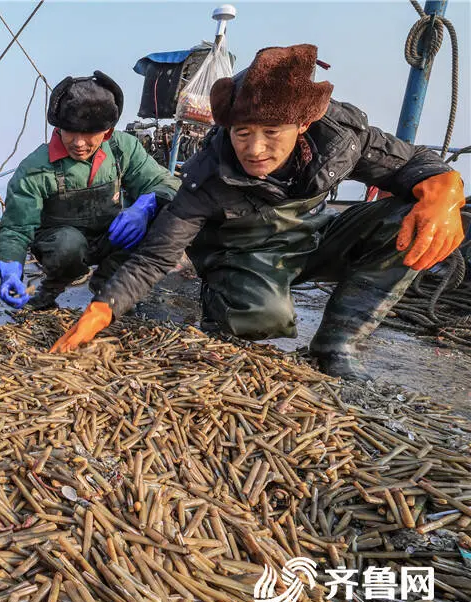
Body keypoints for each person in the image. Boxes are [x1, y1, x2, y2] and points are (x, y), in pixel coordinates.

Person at [51, 45, 467, 382]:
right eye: (242, 133)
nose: (254, 148)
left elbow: (413, 163)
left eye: (272, 134)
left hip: (309, 237)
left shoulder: (342, 139)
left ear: (302, 125)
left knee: (414, 216)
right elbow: (158, 255)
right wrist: (102, 309)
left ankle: (337, 345)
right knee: (259, 319)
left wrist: (445, 190)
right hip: (244, 252)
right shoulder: (209, 172)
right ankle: (222, 302)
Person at [0, 71, 180, 310]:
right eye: (70, 132)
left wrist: (144, 207)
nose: (79, 143)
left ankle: (110, 284)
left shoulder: (123, 149)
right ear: (58, 128)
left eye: (89, 134)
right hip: (62, 245)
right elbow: (16, 229)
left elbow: (168, 185)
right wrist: (9, 268)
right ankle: (52, 286)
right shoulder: (35, 167)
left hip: (111, 237)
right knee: (67, 245)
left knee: (165, 219)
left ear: (107, 132)